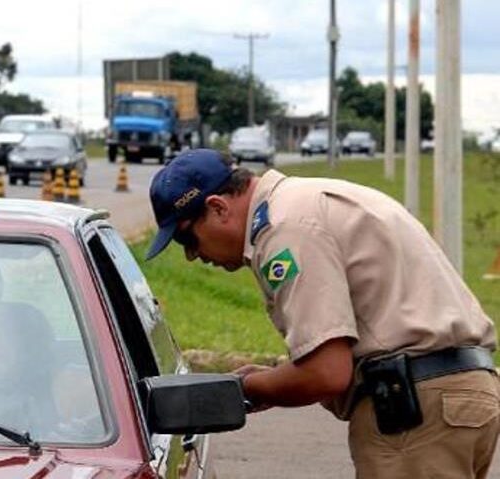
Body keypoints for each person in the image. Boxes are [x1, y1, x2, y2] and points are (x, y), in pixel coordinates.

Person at [145, 148, 499, 478]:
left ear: (219, 207)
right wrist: (275, 378)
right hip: (457, 395)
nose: (192, 255)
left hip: (414, 411)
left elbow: (326, 373)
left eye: (186, 239)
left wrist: (245, 387)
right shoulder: (304, 200)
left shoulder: (285, 229)